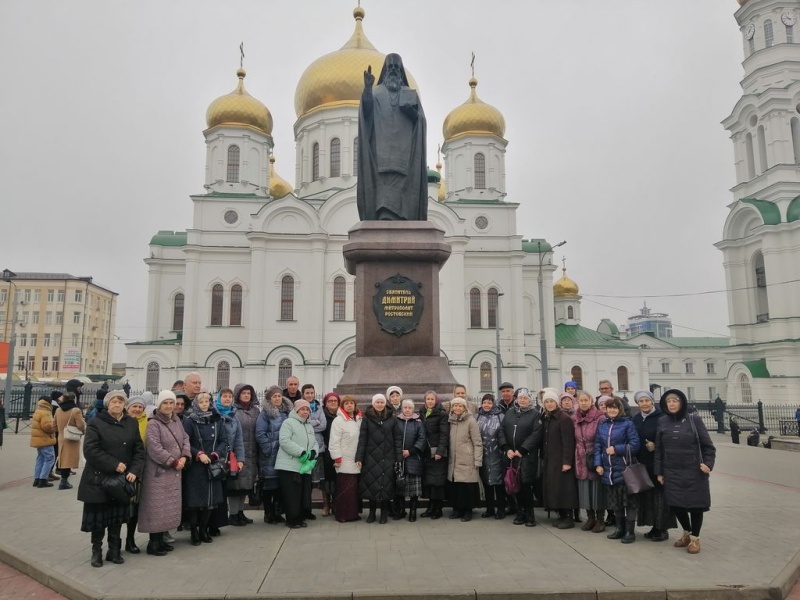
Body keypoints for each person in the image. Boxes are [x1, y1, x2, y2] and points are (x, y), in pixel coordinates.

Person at [78, 390, 145, 568]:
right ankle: (97, 551)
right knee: (100, 518)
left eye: (121, 402)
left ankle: (114, 550)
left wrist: (135, 470)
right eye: (114, 401)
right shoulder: (96, 422)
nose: (117, 405)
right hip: (99, 479)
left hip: (122, 479)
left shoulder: (131, 422)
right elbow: (90, 450)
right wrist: (114, 464)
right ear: (108, 404)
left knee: (117, 518)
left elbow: (139, 449)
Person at [357, 52, 427, 221]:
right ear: (385, 71)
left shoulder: (410, 94)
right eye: (390, 67)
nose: (394, 70)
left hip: (405, 157)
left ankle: (401, 223)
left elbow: (421, 121)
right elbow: (366, 115)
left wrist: (413, 114)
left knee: (405, 195)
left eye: (397, 67)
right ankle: (384, 222)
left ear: (401, 71)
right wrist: (367, 89)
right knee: (382, 196)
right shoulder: (375, 93)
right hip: (380, 155)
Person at [655, 389, 716, 555]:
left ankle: (695, 538)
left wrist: (708, 464)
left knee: (696, 506)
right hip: (671, 470)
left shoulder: (694, 420)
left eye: (675, 401)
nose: (672, 404)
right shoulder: (662, 421)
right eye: (669, 401)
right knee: (676, 504)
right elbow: (659, 449)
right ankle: (687, 532)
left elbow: (708, 446)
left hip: (694, 470)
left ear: (681, 403)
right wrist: (659, 471)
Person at [137, 390, 190, 556]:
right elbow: (154, 447)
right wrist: (173, 461)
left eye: (171, 403)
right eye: (165, 403)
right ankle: (153, 543)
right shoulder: (154, 423)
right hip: (158, 473)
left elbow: (185, 439)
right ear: (159, 405)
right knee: (156, 508)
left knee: (167, 509)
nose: (168, 406)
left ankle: (161, 540)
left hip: (174, 473)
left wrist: (184, 457)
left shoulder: (176, 420)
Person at [182, 392, 228, 545]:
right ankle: (194, 531)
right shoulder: (190, 421)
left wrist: (216, 454)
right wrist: (198, 454)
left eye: (207, 401)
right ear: (196, 403)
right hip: (196, 465)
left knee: (210, 500)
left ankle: (204, 529)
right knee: (195, 501)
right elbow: (186, 441)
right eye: (201, 401)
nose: (204, 404)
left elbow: (223, 440)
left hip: (212, 464)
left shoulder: (217, 420)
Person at [595, 396, 641, 543]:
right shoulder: (603, 425)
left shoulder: (627, 424)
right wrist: (598, 464)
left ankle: (630, 531)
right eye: (610, 408)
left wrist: (616, 449)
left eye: (615, 408)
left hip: (624, 469)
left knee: (629, 502)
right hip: (608, 470)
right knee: (616, 502)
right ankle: (619, 528)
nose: (612, 410)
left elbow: (634, 445)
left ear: (619, 409)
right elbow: (598, 446)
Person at [632, 390, 676, 542]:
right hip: (642, 463)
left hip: (658, 463)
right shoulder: (636, 418)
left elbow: (669, 439)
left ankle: (662, 528)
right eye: (641, 401)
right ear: (638, 404)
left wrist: (656, 446)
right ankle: (654, 526)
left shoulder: (662, 417)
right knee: (648, 497)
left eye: (647, 400)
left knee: (660, 496)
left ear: (652, 401)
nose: (644, 404)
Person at [356, 394, 402, 524]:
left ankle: (384, 514)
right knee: (372, 486)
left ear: (385, 403)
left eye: (382, 402)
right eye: (377, 402)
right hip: (371, 457)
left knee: (386, 487)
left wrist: (398, 458)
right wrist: (359, 457)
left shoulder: (392, 419)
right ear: (373, 404)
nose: (380, 404)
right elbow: (362, 439)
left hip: (388, 457)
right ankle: (371, 513)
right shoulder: (367, 419)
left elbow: (397, 439)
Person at [498, 387, 542, 524]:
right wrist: (506, 448)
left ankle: (529, 514)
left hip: (526, 456)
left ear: (529, 400)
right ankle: (520, 512)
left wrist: (523, 449)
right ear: (516, 399)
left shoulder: (535, 414)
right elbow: (501, 430)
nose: (522, 400)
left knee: (525, 485)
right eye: (520, 398)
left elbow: (536, 434)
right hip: (512, 456)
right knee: (514, 484)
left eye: (525, 398)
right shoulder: (510, 412)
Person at [275, 398, 319, 529]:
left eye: (307, 410)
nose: (305, 412)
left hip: (303, 465)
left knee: (301, 494)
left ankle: (299, 517)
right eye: (302, 409)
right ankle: (291, 519)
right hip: (289, 465)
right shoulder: (288, 423)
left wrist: (313, 452)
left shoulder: (309, 425)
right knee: (291, 494)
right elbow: (284, 441)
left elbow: (314, 442)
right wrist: (302, 452)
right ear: (296, 410)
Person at [541, 389, 579, 529]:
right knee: (555, 488)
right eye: (546, 402)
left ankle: (568, 517)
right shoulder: (548, 417)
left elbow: (568, 442)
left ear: (557, 402)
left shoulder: (563, 418)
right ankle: (562, 515)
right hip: (551, 459)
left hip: (561, 460)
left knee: (565, 489)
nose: (549, 404)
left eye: (551, 401)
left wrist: (567, 462)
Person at [209, 388, 245, 533]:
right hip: (215, 457)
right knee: (214, 491)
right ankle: (209, 523)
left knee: (223, 491)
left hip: (228, 459)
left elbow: (238, 439)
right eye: (224, 396)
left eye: (230, 396)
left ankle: (218, 523)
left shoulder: (234, 416)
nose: (227, 399)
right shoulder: (213, 414)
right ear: (219, 398)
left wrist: (240, 459)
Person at [256, 386, 293, 524]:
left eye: (279, 396)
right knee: (268, 486)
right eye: (274, 396)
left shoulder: (286, 412)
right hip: (270, 454)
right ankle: (268, 513)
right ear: (269, 399)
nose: (277, 398)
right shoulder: (265, 413)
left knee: (279, 486)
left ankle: (277, 512)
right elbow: (260, 433)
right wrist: (269, 448)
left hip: (284, 454)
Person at [572, 390, 606, 533]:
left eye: (586, 400)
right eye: (581, 400)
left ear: (591, 402)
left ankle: (600, 519)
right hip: (580, 456)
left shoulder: (600, 418)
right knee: (584, 489)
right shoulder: (574, 418)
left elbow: (603, 439)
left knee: (597, 490)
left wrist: (599, 459)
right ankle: (590, 517)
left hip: (595, 454)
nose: (584, 403)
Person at [447, 397, 483, 521]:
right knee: (457, 486)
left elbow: (477, 442)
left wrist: (477, 460)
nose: (457, 408)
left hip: (467, 458)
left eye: (460, 406)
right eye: (455, 406)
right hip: (454, 458)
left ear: (464, 407)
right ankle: (457, 509)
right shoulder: (451, 420)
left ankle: (468, 510)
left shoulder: (471, 421)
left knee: (467, 486)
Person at [228, 384, 260, 525]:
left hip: (251, 452)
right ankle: (233, 514)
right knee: (235, 485)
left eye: (249, 393)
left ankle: (240, 512)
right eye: (244, 393)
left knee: (245, 486)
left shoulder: (255, 411)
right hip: (238, 453)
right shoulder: (234, 411)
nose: (247, 395)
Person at [328, 395, 362, 523]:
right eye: (346, 403)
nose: (349, 405)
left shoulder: (359, 419)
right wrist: (337, 458)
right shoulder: (338, 421)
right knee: (344, 489)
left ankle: (353, 514)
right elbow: (334, 441)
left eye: (351, 403)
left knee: (353, 490)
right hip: (344, 459)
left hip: (356, 459)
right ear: (342, 406)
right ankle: (342, 514)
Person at [123, 396, 147, 554]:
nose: (137, 409)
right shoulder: (122, 422)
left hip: (138, 472)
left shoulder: (148, 423)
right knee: (119, 508)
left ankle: (130, 540)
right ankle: (114, 542)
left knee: (134, 508)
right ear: (128, 408)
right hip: (119, 470)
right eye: (134, 406)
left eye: (140, 407)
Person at [395, 398, 426, 522]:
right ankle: (401, 510)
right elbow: (393, 437)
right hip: (399, 458)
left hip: (414, 458)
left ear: (413, 409)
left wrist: (411, 451)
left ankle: (413, 512)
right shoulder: (396, 421)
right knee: (400, 486)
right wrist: (398, 452)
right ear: (402, 409)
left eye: (410, 408)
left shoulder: (418, 422)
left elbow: (422, 439)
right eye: (405, 407)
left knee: (414, 489)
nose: (407, 410)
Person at [419, 390, 449, 519]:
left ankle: (438, 508)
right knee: (429, 481)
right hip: (426, 452)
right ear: (425, 401)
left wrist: (440, 452)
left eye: (432, 399)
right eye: (428, 399)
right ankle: (431, 506)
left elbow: (444, 434)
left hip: (437, 453)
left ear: (436, 400)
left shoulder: (442, 414)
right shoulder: (422, 413)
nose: (430, 401)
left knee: (438, 482)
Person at [475, 393, 506, 519]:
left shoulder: (500, 417)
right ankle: (490, 509)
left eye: (489, 402)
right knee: (487, 483)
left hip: (497, 454)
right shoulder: (476, 416)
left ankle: (501, 509)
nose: (486, 405)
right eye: (484, 402)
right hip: (483, 454)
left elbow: (504, 433)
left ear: (493, 404)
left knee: (498, 483)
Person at [302, 383, 326, 520]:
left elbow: (323, 425)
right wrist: (314, 422)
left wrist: (311, 424)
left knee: (316, 481)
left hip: (318, 448)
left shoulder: (319, 407)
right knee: (306, 482)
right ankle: (305, 509)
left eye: (312, 393)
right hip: (305, 449)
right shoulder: (299, 407)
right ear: (303, 394)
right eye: (307, 393)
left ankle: (310, 509)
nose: (310, 395)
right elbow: (301, 424)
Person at [54, 392, 85, 490]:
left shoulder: (58, 410)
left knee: (63, 458)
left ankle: (63, 480)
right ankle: (64, 481)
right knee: (68, 459)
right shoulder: (75, 410)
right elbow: (81, 425)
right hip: (71, 437)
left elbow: (54, 425)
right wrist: (83, 431)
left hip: (61, 437)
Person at [320, 392, 340, 517]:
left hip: (339, 451)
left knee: (337, 478)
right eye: (330, 401)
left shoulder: (341, 416)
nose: (333, 403)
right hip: (325, 450)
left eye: (335, 401)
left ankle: (336, 504)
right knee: (326, 479)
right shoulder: (322, 416)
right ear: (325, 403)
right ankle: (326, 504)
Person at [31, 395, 57, 488]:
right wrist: (53, 429)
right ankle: (43, 479)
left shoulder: (38, 411)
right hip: (45, 439)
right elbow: (46, 426)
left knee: (40, 458)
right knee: (50, 458)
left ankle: (37, 479)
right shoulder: (45, 412)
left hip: (38, 439)